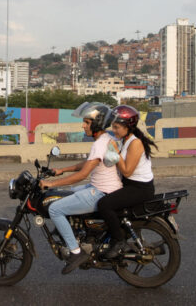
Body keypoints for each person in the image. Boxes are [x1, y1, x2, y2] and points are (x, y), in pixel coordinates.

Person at [39, 102, 122, 274]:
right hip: (104, 187)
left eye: (87, 122)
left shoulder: (99, 144)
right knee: (68, 195)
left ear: (97, 123)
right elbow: (89, 163)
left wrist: (52, 183)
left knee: (55, 209)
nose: (83, 125)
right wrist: (62, 170)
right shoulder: (106, 139)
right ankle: (73, 230)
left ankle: (76, 252)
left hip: (101, 192)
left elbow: (82, 174)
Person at [97, 105, 158, 258]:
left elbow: (127, 171)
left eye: (117, 127)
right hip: (130, 185)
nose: (114, 130)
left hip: (140, 189)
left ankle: (119, 241)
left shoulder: (135, 143)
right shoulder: (126, 140)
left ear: (128, 127)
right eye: (113, 126)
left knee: (104, 204)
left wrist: (115, 152)